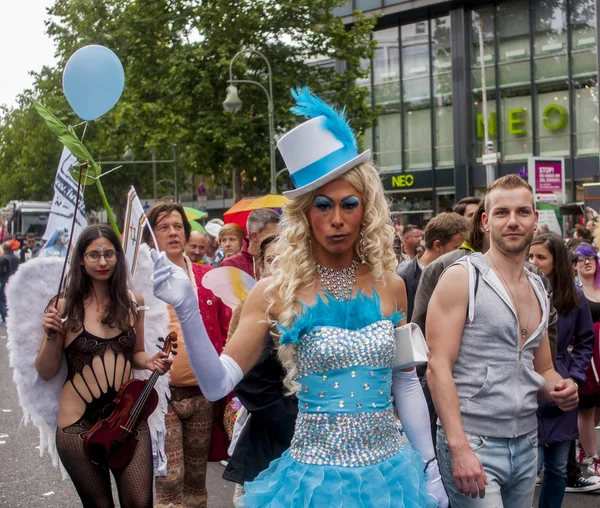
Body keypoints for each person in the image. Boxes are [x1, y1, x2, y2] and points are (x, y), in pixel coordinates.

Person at [151, 89, 448, 507]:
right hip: (313, 486)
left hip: (390, 479)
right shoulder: (275, 291)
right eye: (323, 206)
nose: (337, 220)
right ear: (305, 213)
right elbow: (217, 385)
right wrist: (186, 307)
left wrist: (430, 467)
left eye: (349, 204)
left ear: (367, 209)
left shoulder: (390, 284)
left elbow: (405, 383)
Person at [427, 174, 579, 507]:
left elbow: (543, 368)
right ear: (485, 221)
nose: (513, 221)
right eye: (502, 213)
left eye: (523, 212)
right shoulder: (462, 277)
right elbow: (437, 367)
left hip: (526, 441)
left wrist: (561, 388)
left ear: (535, 220)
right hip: (474, 441)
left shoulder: (539, 287)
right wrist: (459, 447)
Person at [36, 224, 172, 507]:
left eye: (109, 254)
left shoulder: (134, 303)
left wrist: (151, 361)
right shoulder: (63, 307)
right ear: (81, 260)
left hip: (128, 419)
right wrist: (51, 337)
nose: (102, 262)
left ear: (118, 258)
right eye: (94, 255)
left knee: (140, 502)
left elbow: (136, 354)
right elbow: (46, 371)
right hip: (77, 424)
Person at [143, 199, 232, 508]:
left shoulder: (207, 276)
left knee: (196, 484)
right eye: (163, 227)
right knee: (169, 481)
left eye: (178, 226)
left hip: (202, 397)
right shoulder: (139, 278)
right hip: (160, 397)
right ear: (151, 235)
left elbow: (228, 330)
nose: (173, 232)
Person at [223, 234, 299, 505]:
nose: (279, 265)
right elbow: (243, 374)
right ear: (261, 267)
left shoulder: (313, 297)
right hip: (270, 430)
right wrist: (292, 421)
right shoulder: (251, 307)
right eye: (271, 260)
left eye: (285, 258)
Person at [529, 233, 597, 503]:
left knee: (557, 468)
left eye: (540, 257)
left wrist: (575, 377)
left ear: (556, 261)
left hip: (561, 381)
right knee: (530, 465)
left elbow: (585, 340)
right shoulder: (522, 289)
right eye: (530, 256)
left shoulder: (575, 297)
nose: (533, 262)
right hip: (528, 382)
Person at [398, 212, 468, 321]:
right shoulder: (403, 277)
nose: (464, 253)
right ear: (438, 245)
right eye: (458, 248)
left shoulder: (466, 273)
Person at [572, 243, 600, 477]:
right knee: (587, 407)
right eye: (582, 260)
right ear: (575, 265)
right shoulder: (574, 289)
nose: (587, 262)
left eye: (591, 258)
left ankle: (582, 443)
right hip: (586, 354)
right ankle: (593, 457)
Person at [220, 209, 280, 278]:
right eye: (272, 237)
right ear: (255, 236)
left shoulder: (282, 258)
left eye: (278, 235)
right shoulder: (230, 265)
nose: (277, 240)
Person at [0, 241, 19, 324]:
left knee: (2, 299)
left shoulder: (3, 258)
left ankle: (5, 317)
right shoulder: (16, 258)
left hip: (5, 280)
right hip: (14, 279)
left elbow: (2, 271)